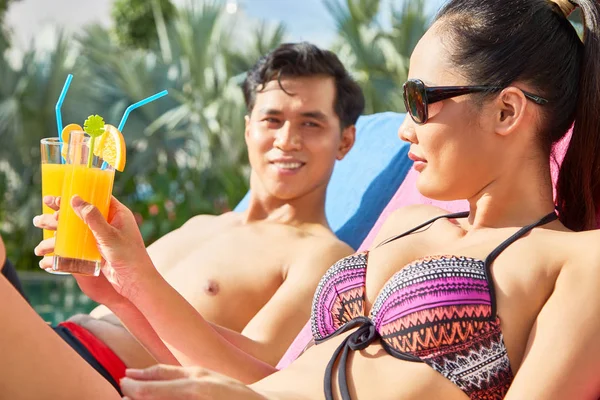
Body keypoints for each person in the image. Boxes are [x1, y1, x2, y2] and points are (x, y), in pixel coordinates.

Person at [2, 0, 600, 398]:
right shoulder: (414, 225)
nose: (402, 127)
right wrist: (129, 280)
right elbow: (280, 380)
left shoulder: (578, 264)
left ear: (506, 110)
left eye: (420, 100)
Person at [30, 42, 363, 392]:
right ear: (249, 129)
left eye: (310, 123)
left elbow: (260, 381)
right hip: (60, 343)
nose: (287, 140)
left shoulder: (323, 254)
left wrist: (135, 283)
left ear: (344, 141)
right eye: (272, 120)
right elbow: (122, 295)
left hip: (108, 374)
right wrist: (113, 288)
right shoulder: (200, 225)